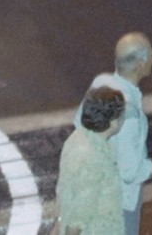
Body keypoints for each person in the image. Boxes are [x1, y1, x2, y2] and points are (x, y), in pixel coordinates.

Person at [76, 34, 152, 235]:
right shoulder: (129, 116)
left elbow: (79, 124)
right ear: (141, 63)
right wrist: (151, 167)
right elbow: (130, 173)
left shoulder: (101, 83)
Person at [58, 86, 128, 235]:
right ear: (113, 121)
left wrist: (58, 225)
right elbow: (79, 215)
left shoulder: (78, 138)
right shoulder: (94, 158)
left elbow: (68, 193)